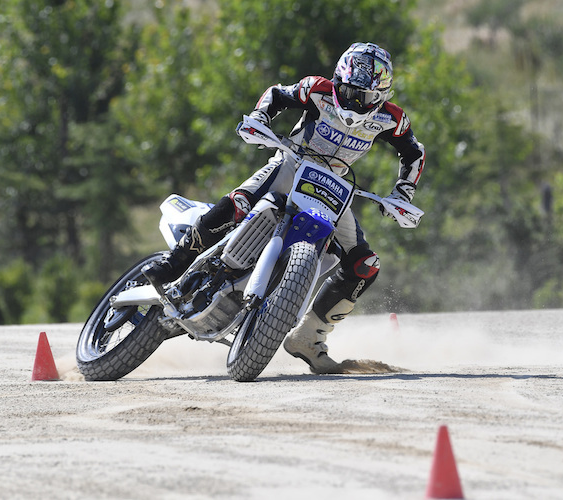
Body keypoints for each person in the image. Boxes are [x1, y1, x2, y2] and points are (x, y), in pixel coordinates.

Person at [143, 42, 425, 374]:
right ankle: (174, 261)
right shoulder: (317, 89)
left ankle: (309, 336)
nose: (353, 102)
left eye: (363, 97)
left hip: (336, 185)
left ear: (381, 95)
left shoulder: (392, 119)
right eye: (347, 91)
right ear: (338, 79)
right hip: (292, 162)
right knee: (239, 201)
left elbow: (414, 153)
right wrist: (260, 118)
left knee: (365, 265)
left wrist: (402, 194)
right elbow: (277, 95)